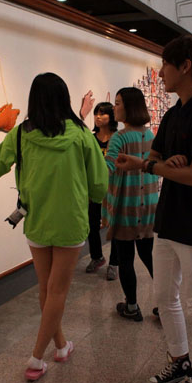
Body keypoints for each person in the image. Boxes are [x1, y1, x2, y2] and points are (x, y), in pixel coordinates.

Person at [0, 72, 108, 380]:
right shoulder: (81, 134)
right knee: (57, 290)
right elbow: (99, 184)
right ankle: (36, 357)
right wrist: (89, 196)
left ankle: (61, 346)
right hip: (71, 222)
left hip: (36, 220)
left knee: (46, 288)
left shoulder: (20, 134)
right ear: (65, 98)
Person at [115, 35, 192, 383]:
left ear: (185, 66)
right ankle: (179, 359)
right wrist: (163, 163)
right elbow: (156, 155)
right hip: (168, 218)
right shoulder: (175, 113)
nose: (160, 73)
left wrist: (156, 166)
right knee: (164, 296)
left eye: (165, 64)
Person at [102, 87, 158, 322]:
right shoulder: (149, 134)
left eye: (117, 103)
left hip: (126, 205)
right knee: (148, 255)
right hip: (148, 205)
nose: (114, 108)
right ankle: (166, 304)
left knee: (125, 258)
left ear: (129, 107)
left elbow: (107, 168)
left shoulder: (120, 137)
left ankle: (132, 307)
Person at [84, 102, 120, 280]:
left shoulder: (118, 138)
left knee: (114, 226)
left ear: (111, 116)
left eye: (102, 113)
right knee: (92, 224)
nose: (98, 117)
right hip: (95, 189)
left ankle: (114, 262)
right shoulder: (91, 139)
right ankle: (97, 257)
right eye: (96, 113)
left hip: (113, 189)